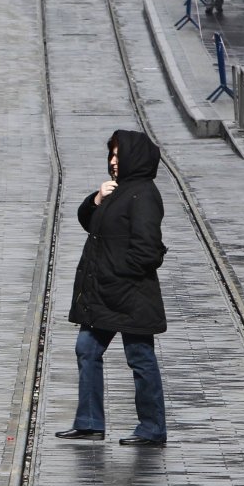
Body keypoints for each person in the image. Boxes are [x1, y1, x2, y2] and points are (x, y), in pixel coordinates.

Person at [55, 130, 168, 446]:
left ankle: (152, 427)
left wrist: (119, 273)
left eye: (119, 155)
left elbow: (148, 249)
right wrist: (96, 199)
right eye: (112, 155)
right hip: (105, 294)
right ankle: (90, 422)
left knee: (140, 357)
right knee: (87, 349)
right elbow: (91, 223)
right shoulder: (119, 191)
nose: (114, 161)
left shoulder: (143, 194)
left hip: (130, 295)